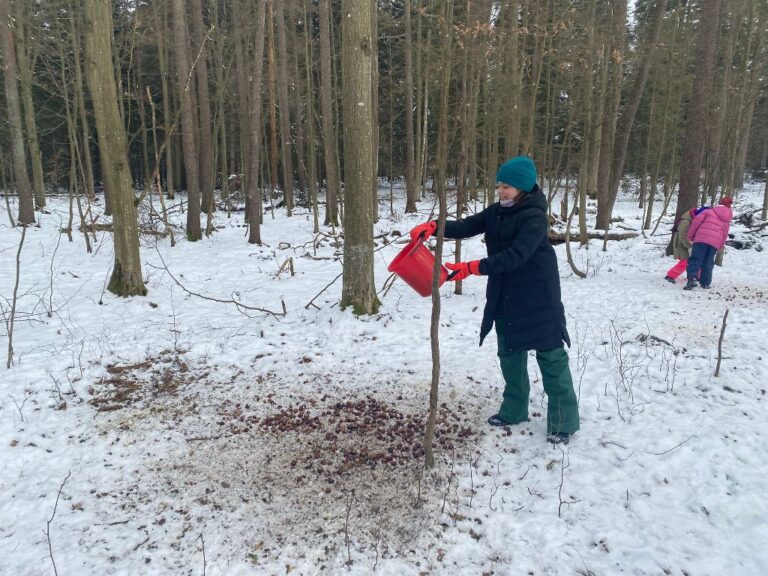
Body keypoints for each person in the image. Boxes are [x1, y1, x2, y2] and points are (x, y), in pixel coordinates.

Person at [409, 156, 579, 444]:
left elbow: (517, 255)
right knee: (510, 355)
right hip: (506, 293)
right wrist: (435, 227)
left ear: (523, 187)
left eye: (507, 187)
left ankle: (563, 422)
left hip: (538, 295)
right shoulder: (498, 211)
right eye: (499, 185)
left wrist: (472, 268)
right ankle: (514, 410)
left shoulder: (534, 216)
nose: (500, 191)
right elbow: (467, 225)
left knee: (550, 358)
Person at [684, 196, 733, 290]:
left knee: (696, 259)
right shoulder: (727, 219)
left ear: (719, 204)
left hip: (701, 238)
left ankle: (692, 279)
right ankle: (705, 283)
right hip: (715, 242)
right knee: (708, 262)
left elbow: (696, 223)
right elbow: (725, 233)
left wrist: (690, 236)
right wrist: (720, 245)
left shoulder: (708, 211)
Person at [664, 208, 696, 283]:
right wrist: (689, 246)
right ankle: (670, 276)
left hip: (682, 245)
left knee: (686, 262)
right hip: (681, 246)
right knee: (684, 262)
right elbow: (682, 236)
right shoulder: (686, 222)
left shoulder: (688, 221)